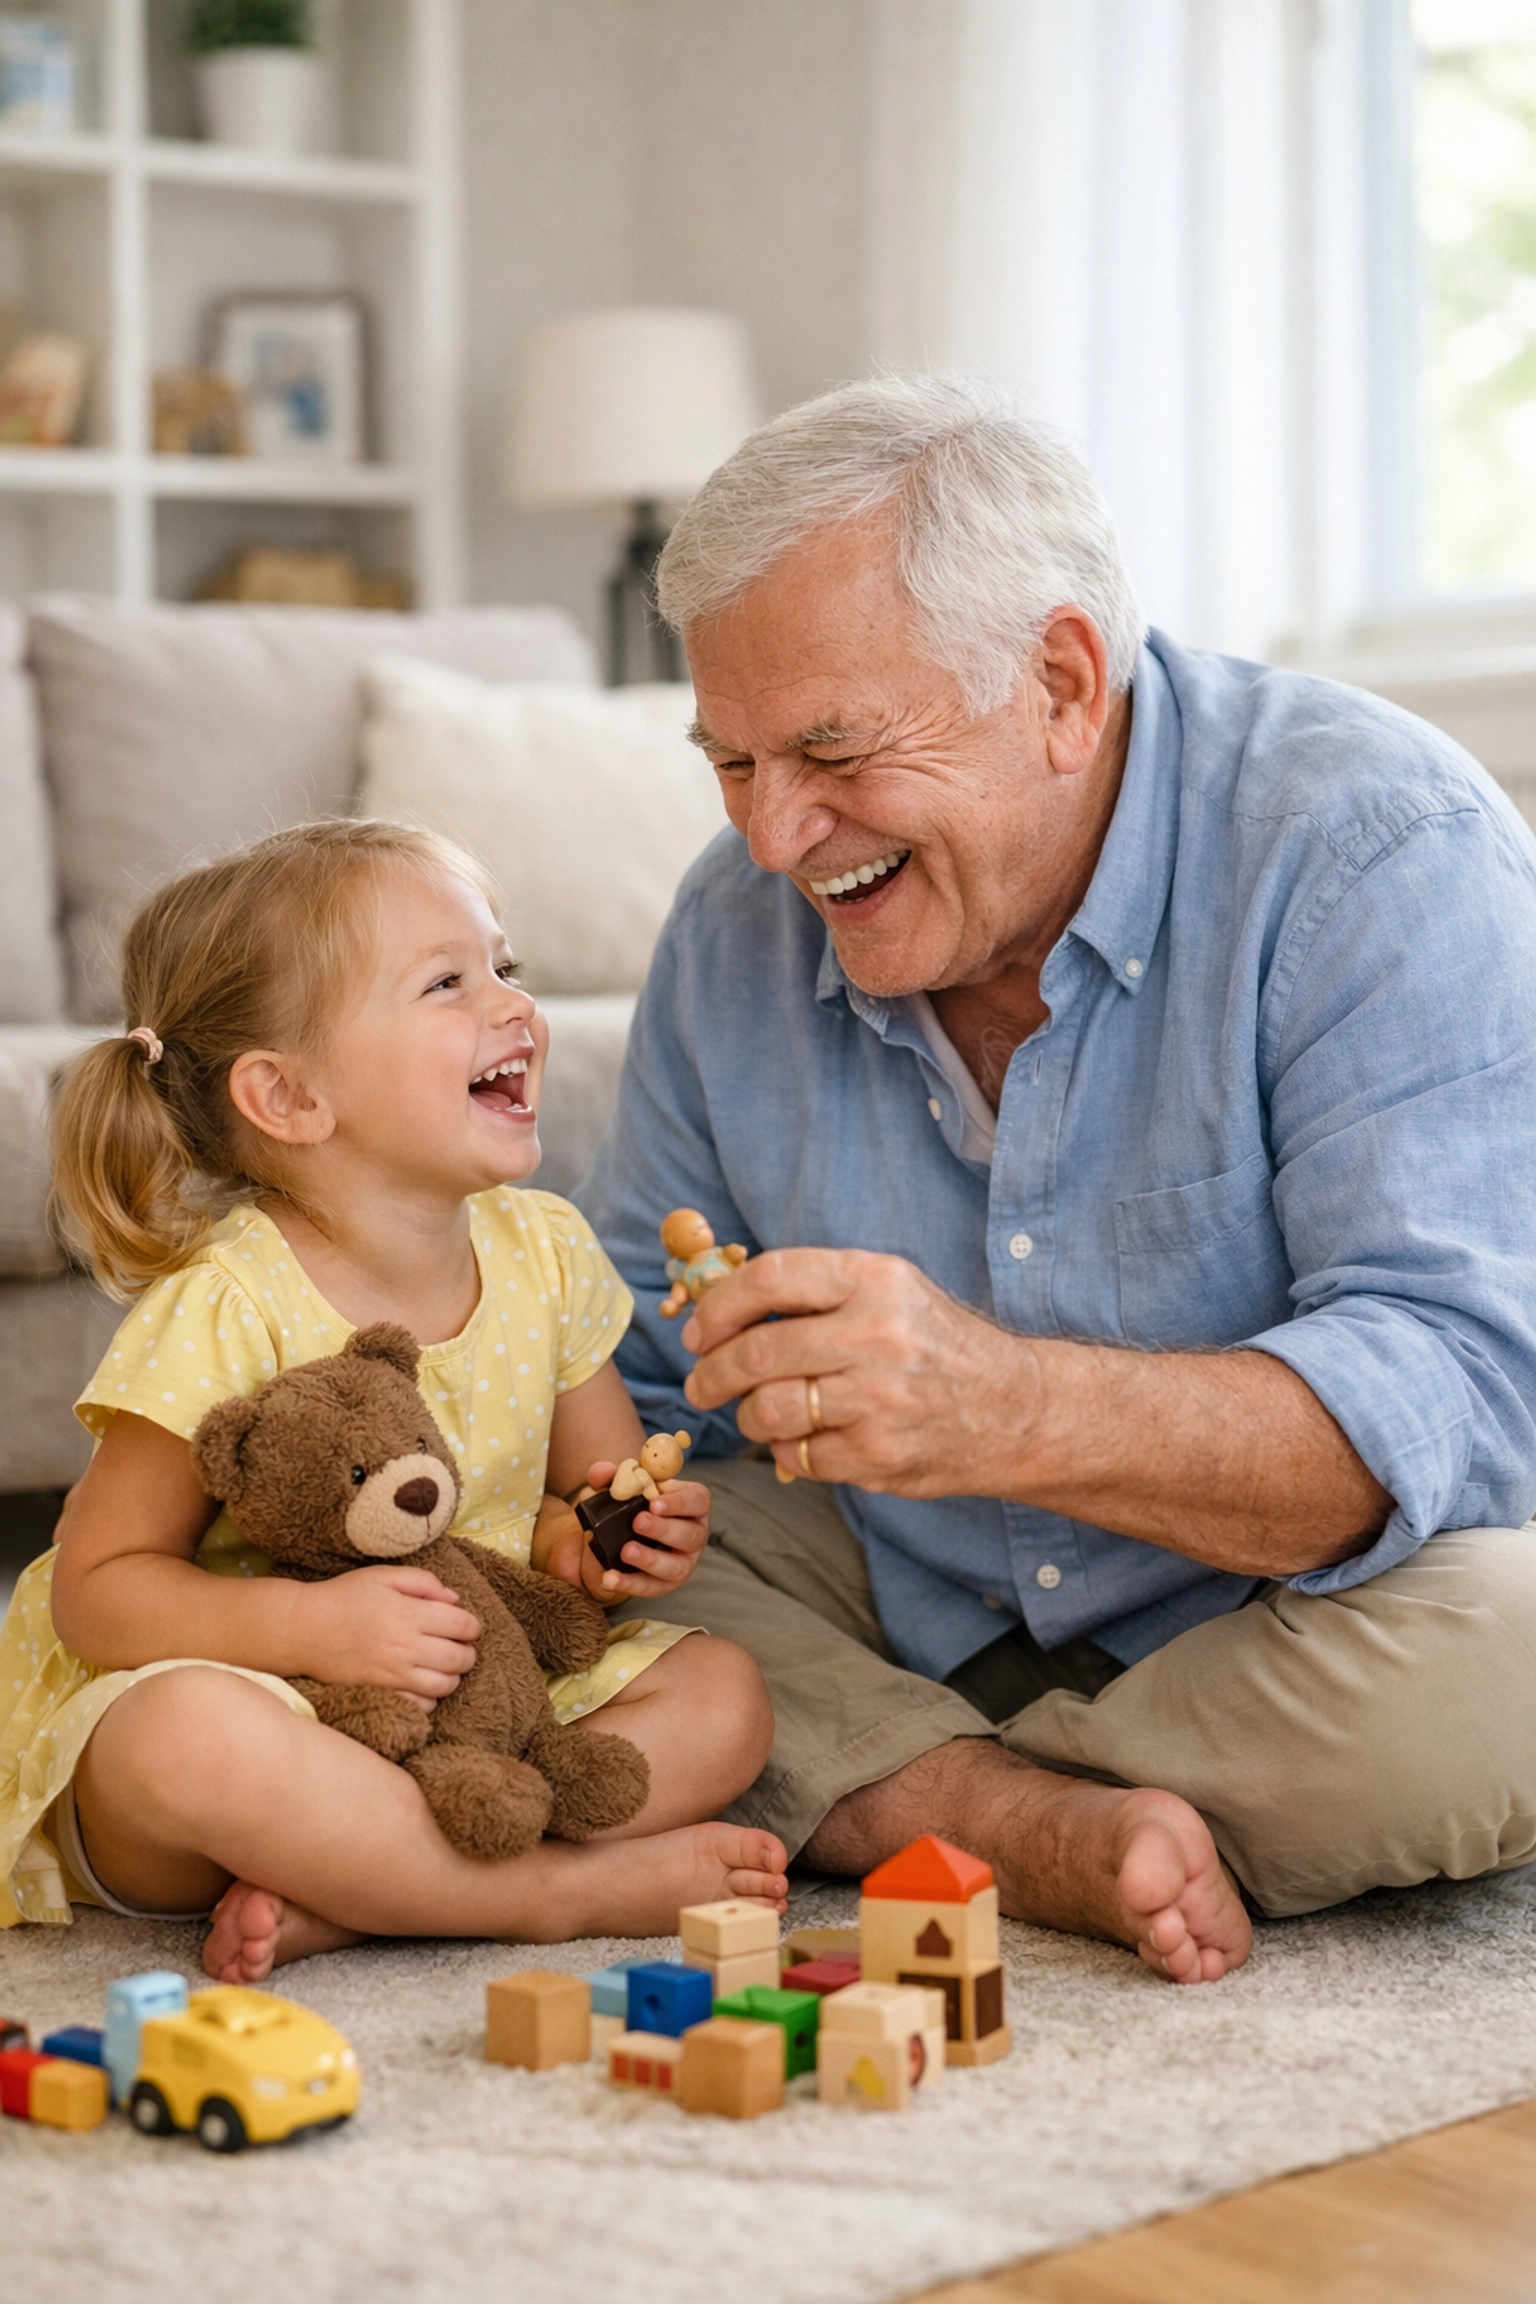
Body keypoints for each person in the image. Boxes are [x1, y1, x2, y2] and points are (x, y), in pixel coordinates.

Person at [580, 373, 1536, 1986]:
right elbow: (631, 1382)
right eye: (728, 759)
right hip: (885, 1571)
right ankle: (1009, 1815)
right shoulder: (731, 922)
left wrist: (1000, 1406)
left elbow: (1467, 1393)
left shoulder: (1374, 842)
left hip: (1277, 1614)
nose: (771, 838)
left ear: (1062, 681)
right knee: (547, 1578)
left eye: (828, 748)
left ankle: (888, 1788)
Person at [0, 820, 786, 1977]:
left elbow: (582, 1501)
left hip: (473, 1710)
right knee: (179, 1744)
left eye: (505, 967)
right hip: (271, 1710)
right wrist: (310, 1628)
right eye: (447, 983)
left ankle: (376, 1889)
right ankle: (546, 1898)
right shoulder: (226, 1301)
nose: (512, 1005)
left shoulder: (549, 1252)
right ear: (290, 1095)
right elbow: (99, 1595)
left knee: (726, 1695)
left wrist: (611, 1545)